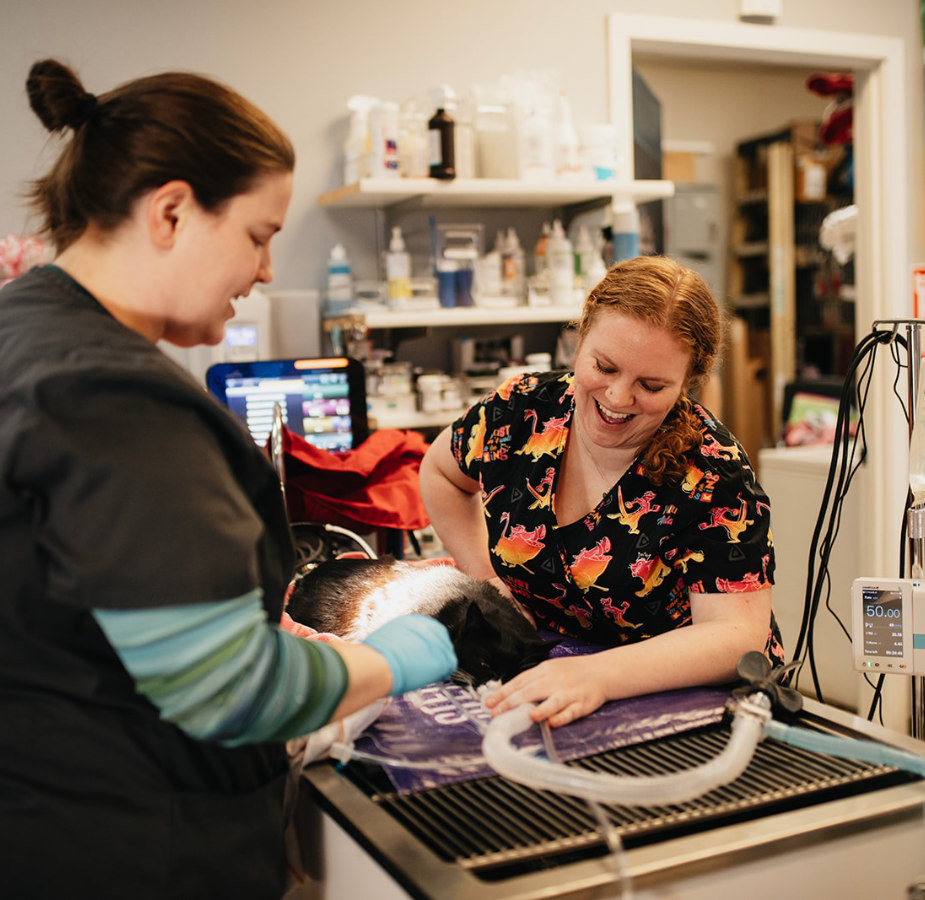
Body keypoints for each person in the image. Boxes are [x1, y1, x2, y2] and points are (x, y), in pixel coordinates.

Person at [0, 60, 456, 899]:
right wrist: (394, 658)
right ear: (171, 211)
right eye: (258, 235)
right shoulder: (115, 397)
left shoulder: (21, 330)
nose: (265, 272)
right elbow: (231, 692)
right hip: (129, 849)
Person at [419, 255, 784, 729]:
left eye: (651, 385)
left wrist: (599, 675)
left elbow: (738, 636)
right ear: (579, 337)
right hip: (560, 679)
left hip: (696, 706)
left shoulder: (712, 471)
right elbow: (440, 472)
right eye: (605, 367)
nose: (617, 397)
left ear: (688, 382)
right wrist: (489, 580)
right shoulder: (522, 412)